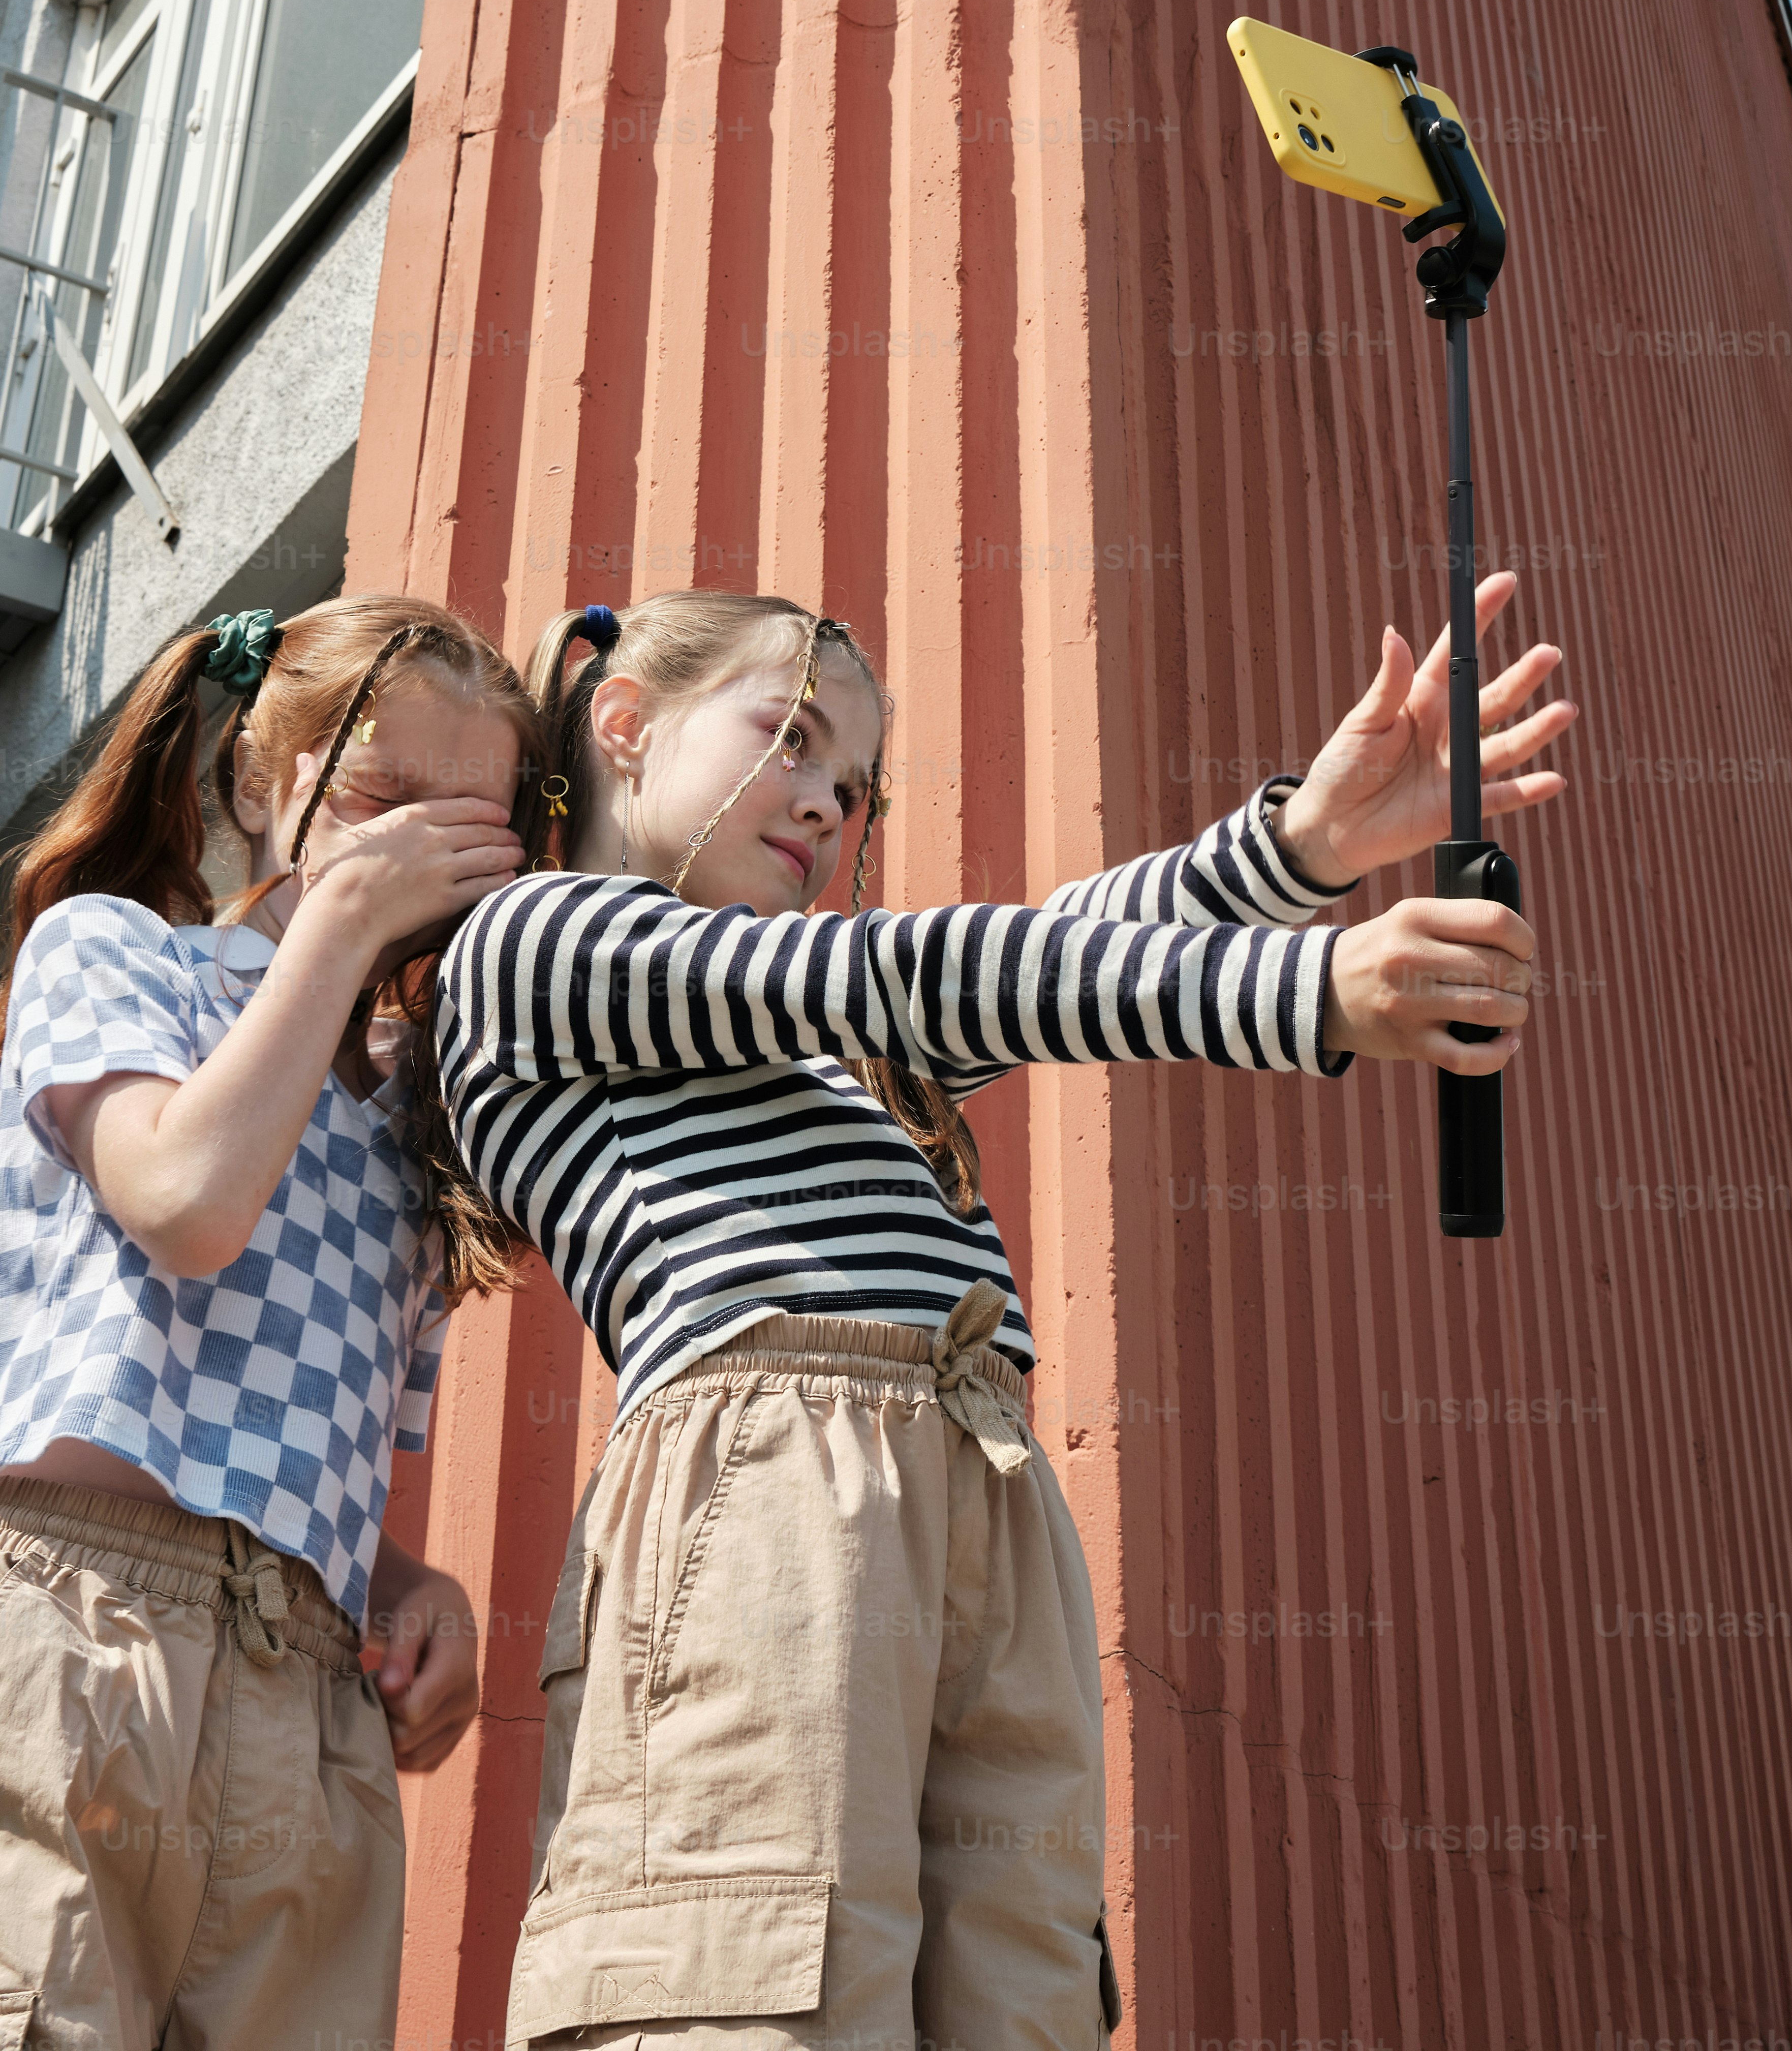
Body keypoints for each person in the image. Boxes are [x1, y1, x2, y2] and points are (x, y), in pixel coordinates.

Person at [438, 581, 1573, 2051]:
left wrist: (1298, 850)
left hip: (980, 1480)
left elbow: (1044, 951)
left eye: (852, 783)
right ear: (627, 729)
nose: (825, 803)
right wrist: (1307, 988)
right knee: (751, 1981)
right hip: (774, 1476)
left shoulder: (825, 1057)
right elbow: (904, 971)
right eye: (787, 739)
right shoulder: (540, 946)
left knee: (1016, 1999)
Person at [0, 596, 540, 2051]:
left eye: (465, 839)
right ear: (260, 780)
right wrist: (345, 918)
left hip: (303, 1699)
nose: (412, 860)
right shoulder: (118, 955)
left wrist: (406, 1582)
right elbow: (186, 1200)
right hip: (80, 1636)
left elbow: (285, 1449)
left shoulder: (414, 1122)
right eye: (379, 806)